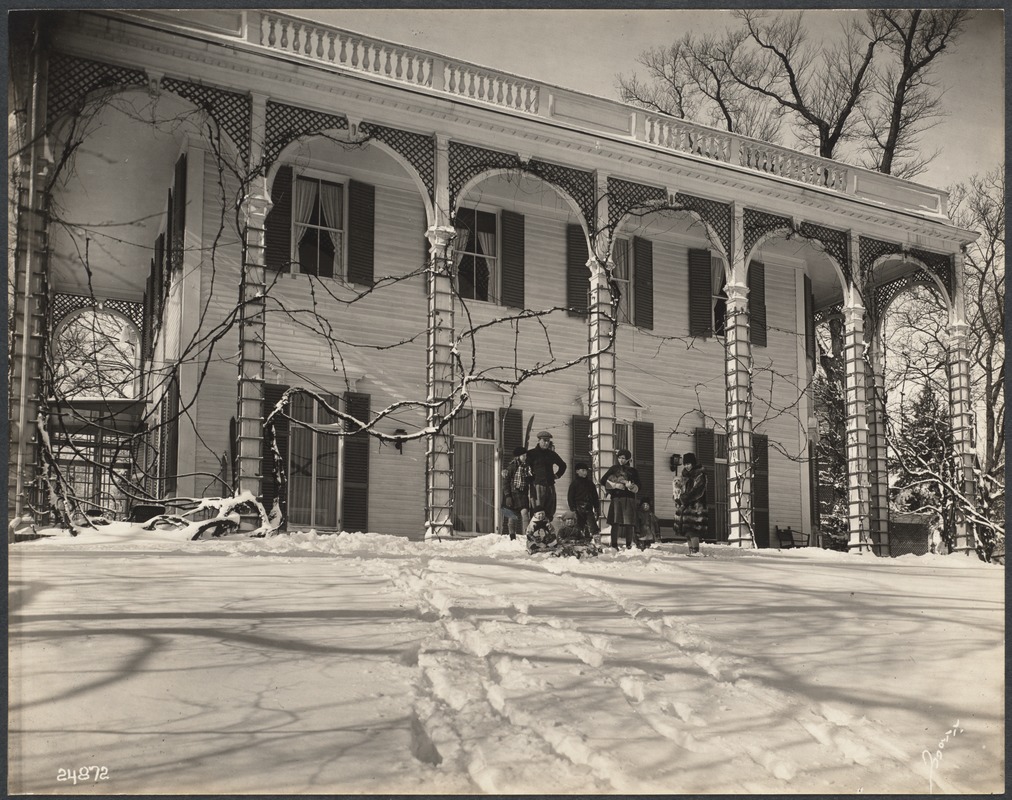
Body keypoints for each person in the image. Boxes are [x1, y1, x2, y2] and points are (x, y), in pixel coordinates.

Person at [600, 448, 640, 549]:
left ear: (628, 459)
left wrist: (633, 487)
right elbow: (603, 480)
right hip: (617, 498)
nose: (621, 460)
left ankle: (629, 545)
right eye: (619, 458)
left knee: (629, 523)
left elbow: (639, 484)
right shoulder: (614, 469)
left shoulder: (633, 471)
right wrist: (615, 485)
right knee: (615, 522)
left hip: (628, 498)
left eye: (623, 458)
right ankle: (614, 545)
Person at [526, 430, 567, 520]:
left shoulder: (551, 454)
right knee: (537, 509)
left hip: (550, 485)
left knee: (550, 508)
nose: (546, 443)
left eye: (548, 441)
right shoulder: (531, 454)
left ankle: (547, 529)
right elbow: (525, 468)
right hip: (537, 485)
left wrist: (557, 475)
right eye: (544, 440)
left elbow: (563, 465)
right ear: (539, 440)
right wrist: (530, 479)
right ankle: (535, 529)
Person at [674, 452, 706, 555]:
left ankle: (695, 551)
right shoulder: (684, 476)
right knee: (687, 531)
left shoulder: (699, 474)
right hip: (685, 506)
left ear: (693, 463)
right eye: (685, 464)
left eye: (688, 464)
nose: (687, 466)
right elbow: (680, 489)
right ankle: (691, 550)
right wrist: (677, 497)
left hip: (695, 506)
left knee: (693, 530)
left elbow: (698, 491)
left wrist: (685, 498)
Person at [501, 446, 530, 540]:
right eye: (523, 456)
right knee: (512, 517)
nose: (525, 457)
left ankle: (528, 535)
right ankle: (512, 536)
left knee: (525, 514)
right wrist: (508, 496)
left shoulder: (527, 467)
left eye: (526, 455)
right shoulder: (511, 467)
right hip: (512, 495)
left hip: (523, 494)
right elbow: (505, 483)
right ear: (518, 457)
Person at [567, 461, 600, 540]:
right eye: (583, 470)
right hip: (578, 508)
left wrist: (596, 507)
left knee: (592, 525)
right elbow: (570, 497)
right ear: (577, 471)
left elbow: (595, 496)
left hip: (588, 508)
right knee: (579, 526)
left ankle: (595, 540)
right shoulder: (574, 484)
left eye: (586, 470)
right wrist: (572, 508)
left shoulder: (590, 483)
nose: (585, 472)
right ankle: (578, 541)